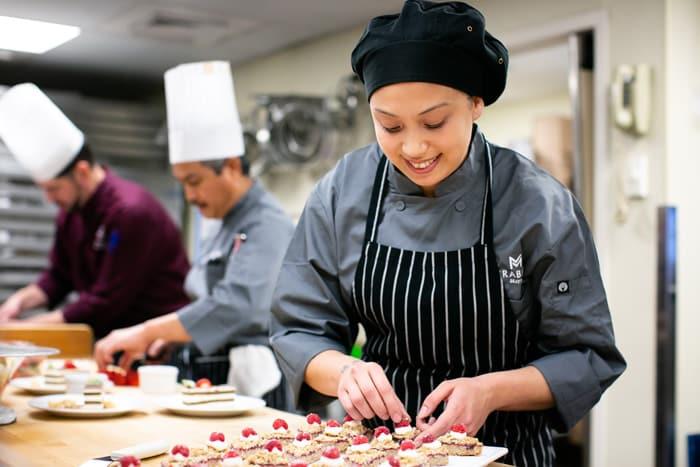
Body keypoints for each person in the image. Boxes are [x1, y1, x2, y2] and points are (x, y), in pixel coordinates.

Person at [269, 1, 626, 465]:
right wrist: (344, 373)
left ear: (476, 103)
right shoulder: (344, 191)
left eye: (435, 122)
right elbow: (298, 328)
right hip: (380, 452)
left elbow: (587, 355)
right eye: (389, 126)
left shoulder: (537, 202)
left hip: (506, 452)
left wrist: (490, 390)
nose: (413, 147)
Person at [94, 61, 295, 408]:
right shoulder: (218, 219)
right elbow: (205, 299)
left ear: (231, 167)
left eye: (194, 181)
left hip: (254, 384)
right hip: (209, 375)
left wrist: (146, 332)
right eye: (182, 183)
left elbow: (238, 307)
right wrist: (173, 340)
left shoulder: (267, 223)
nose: (189, 196)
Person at [0, 83, 190, 338]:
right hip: (112, 340)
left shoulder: (130, 213)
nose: (49, 198)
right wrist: (19, 302)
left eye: (54, 188)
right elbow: (59, 276)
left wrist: (27, 329)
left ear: (82, 172)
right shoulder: (71, 213)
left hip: (158, 346)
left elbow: (106, 301)